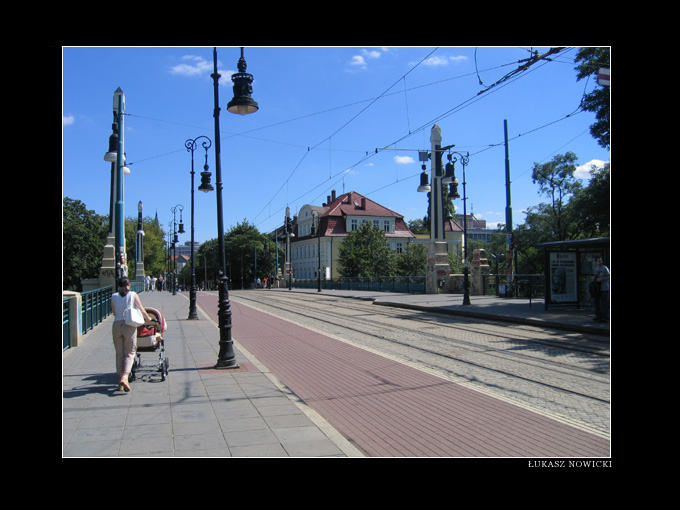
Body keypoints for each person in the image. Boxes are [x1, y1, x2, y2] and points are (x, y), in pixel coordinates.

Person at [110, 277, 153, 392]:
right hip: (128, 325)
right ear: (128, 285)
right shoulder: (133, 294)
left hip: (116, 325)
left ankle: (120, 383)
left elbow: (114, 312)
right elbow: (142, 309)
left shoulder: (113, 296)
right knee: (130, 352)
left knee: (119, 354)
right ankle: (125, 376)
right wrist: (148, 318)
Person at [593, 257, 610, 322]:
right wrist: (594, 278)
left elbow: (609, 276)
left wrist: (602, 279)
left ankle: (605, 317)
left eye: (600, 260)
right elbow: (596, 275)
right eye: (598, 261)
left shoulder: (604, 268)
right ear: (596, 262)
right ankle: (599, 316)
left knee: (603, 304)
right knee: (596, 303)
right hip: (598, 289)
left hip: (604, 288)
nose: (600, 262)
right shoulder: (596, 269)